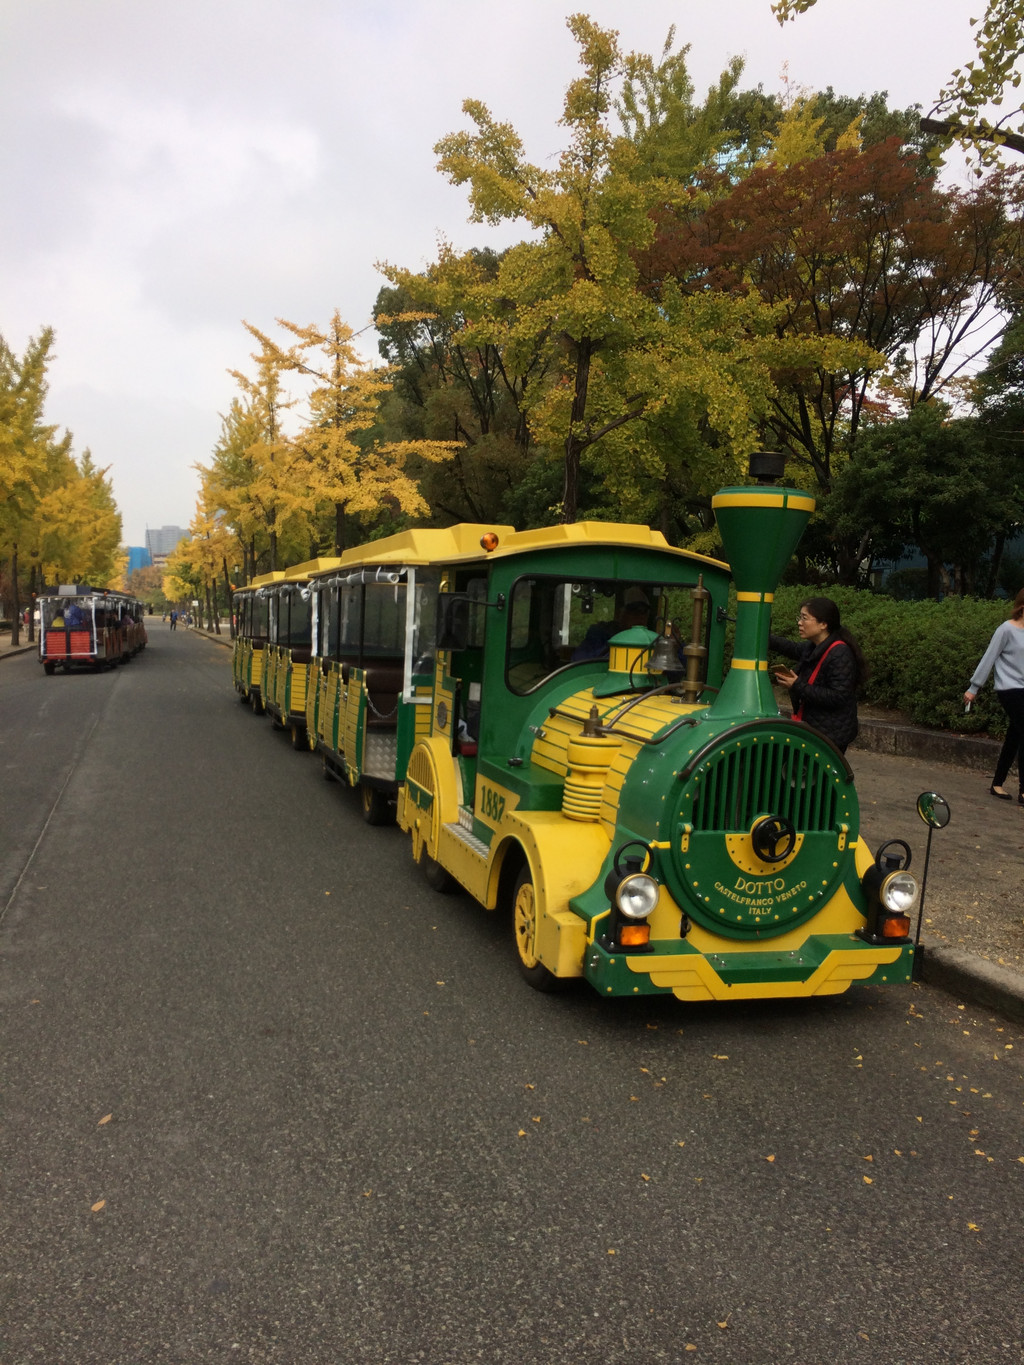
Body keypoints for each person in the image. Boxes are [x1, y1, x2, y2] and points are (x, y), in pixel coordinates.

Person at [770, 596, 866, 753]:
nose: (799, 623)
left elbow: (838, 696)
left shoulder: (840, 653)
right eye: (799, 617)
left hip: (831, 732)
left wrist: (797, 685)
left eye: (805, 618)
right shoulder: (814, 646)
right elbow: (792, 648)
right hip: (816, 727)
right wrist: (765, 638)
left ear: (823, 624)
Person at [964, 587, 1024, 804]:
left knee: (1015, 736)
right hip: (1008, 689)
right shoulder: (1006, 630)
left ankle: (997, 783)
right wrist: (973, 688)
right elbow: (989, 658)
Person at [572, 588, 650, 662]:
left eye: (644, 612)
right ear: (620, 614)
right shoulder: (598, 639)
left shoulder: (652, 643)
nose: (641, 617)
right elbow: (580, 665)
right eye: (634, 611)